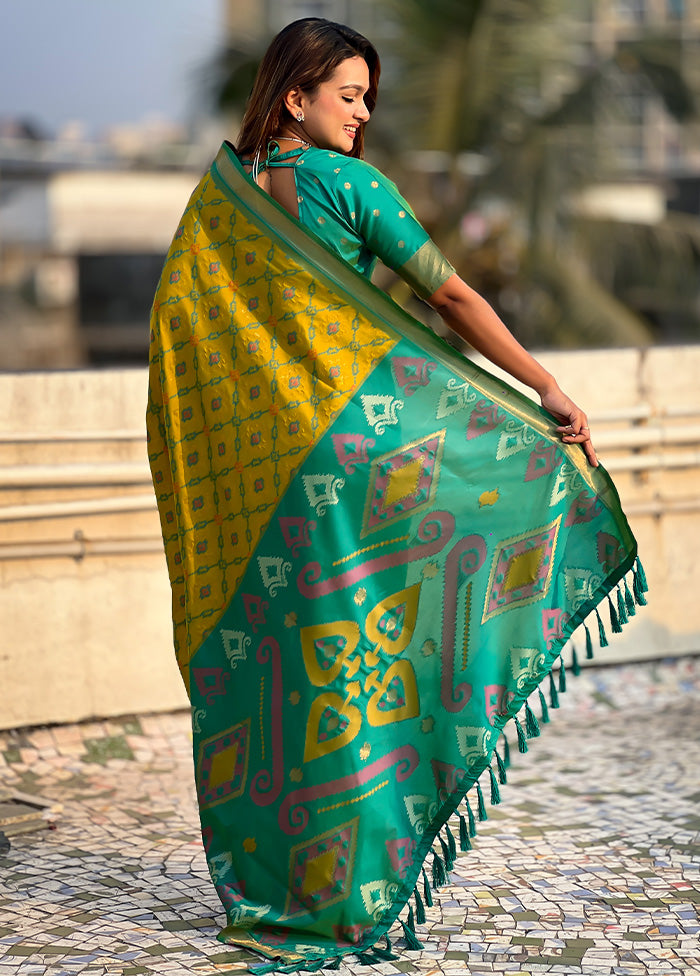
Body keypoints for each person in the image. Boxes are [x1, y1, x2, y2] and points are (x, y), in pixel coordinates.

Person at [147, 18, 644, 974]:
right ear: (295, 98)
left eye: (369, 96)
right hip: (344, 476)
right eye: (350, 94)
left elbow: (185, 343)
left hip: (257, 496)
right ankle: (347, 894)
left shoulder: (221, 205)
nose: (365, 113)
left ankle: (271, 891)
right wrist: (543, 385)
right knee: (358, 669)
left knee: (281, 678)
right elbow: (448, 297)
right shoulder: (352, 185)